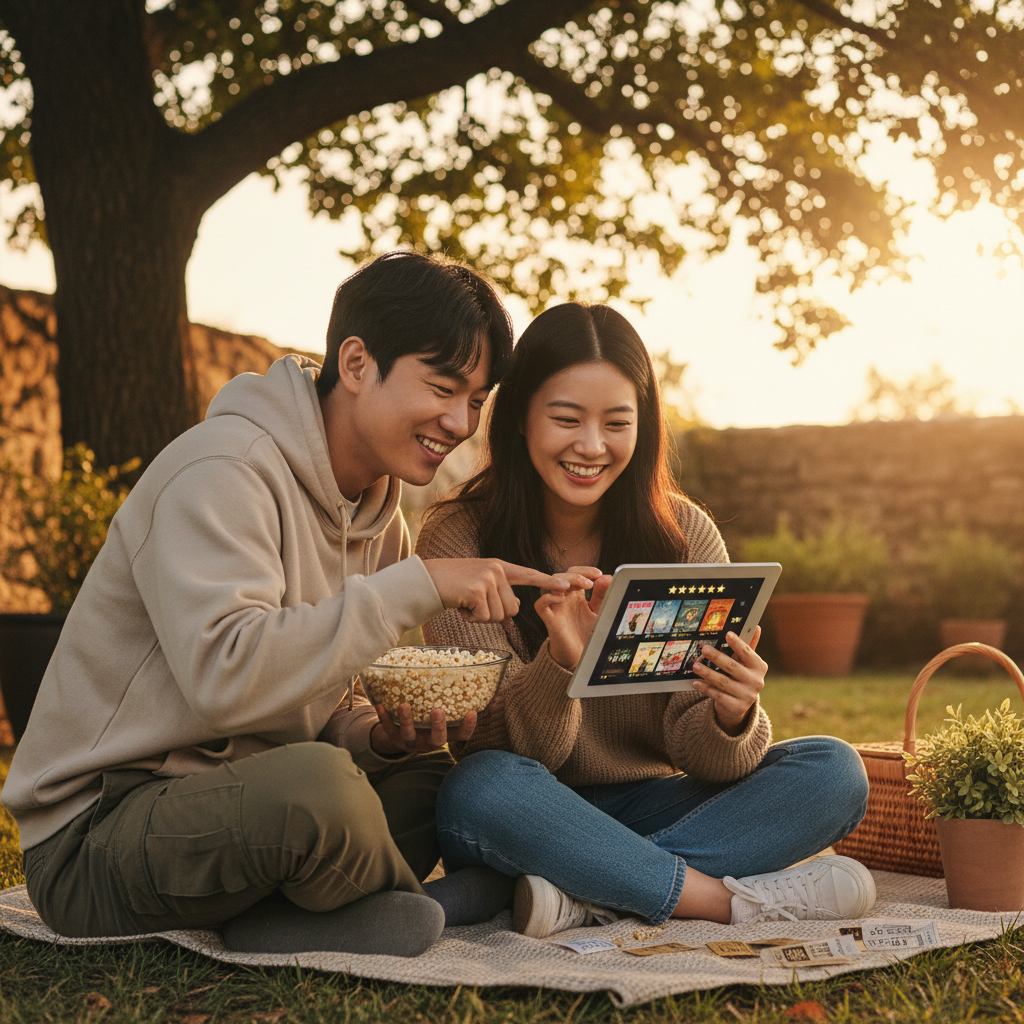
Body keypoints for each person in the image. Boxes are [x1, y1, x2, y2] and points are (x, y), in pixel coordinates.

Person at [1, 251, 577, 957]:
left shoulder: (377, 517)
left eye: (478, 401)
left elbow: (322, 704)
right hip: (98, 837)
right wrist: (418, 584)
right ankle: (437, 904)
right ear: (358, 362)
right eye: (443, 387)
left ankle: (291, 919)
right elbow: (227, 681)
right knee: (320, 789)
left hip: (244, 805)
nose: (460, 421)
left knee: (427, 776)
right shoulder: (223, 472)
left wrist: (379, 736)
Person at [415, 302, 873, 938]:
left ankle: (579, 891)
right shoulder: (458, 540)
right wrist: (561, 662)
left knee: (833, 771)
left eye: (617, 423)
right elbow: (495, 748)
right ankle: (720, 902)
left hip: (654, 802)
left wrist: (731, 713)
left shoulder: (685, 538)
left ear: (645, 426)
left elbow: (707, 760)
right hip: (525, 808)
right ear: (520, 416)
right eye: (566, 419)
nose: (592, 447)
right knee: (478, 786)